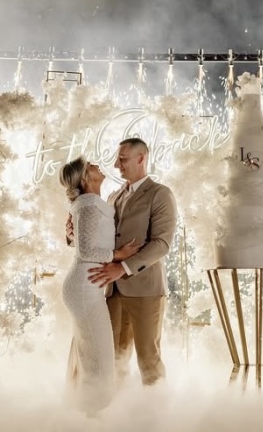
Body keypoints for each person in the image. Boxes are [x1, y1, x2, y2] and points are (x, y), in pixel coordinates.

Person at [88, 138, 177, 386]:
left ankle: (156, 408)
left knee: (148, 359)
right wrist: (72, 234)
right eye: (118, 159)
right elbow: (99, 239)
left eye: (122, 159)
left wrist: (122, 268)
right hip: (113, 290)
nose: (117, 165)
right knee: (114, 359)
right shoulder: (113, 196)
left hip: (146, 290)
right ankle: (118, 407)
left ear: (141, 158)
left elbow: (161, 244)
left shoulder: (160, 194)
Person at [58, 157, 142, 413]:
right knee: (101, 360)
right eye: (90, 165)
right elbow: (86, 251)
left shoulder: (91, 204)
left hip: (87, 287)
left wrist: (72, 235)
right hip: (84, 289)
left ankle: (87, 413)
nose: (96, 164)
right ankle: (92, 415)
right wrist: (118, 255)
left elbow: (84, 241)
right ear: (86, 178)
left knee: (95, 357)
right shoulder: (88, 204)